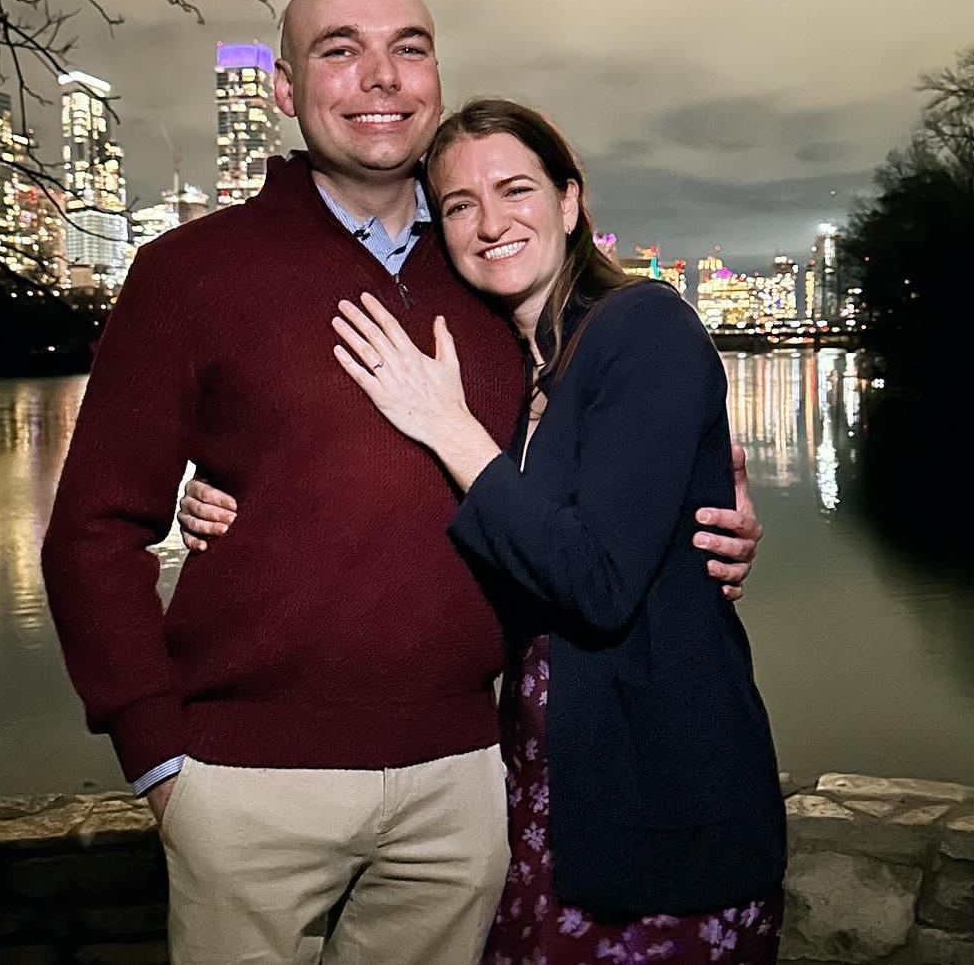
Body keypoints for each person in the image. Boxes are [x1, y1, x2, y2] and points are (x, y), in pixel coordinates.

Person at [42, 0, 762, 965]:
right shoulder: (190, 271)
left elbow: (586, 478)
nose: (380, 76)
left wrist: (702, 515)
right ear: (287, 91)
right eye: (341, 50)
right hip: (246, 782)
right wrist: (158, 757)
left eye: (407, 48)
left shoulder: (492, 276)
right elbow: (92, 529)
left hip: (467, 780)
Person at [328, 99, 787, 963]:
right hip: (545, 795)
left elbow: (599, 581)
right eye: (460, 204)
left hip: (657, 793)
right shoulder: (516, 370)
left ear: (571, 203)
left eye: (516, 190)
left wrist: (446, 425)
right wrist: (223, 510)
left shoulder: (642, 326)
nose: (491, 222)